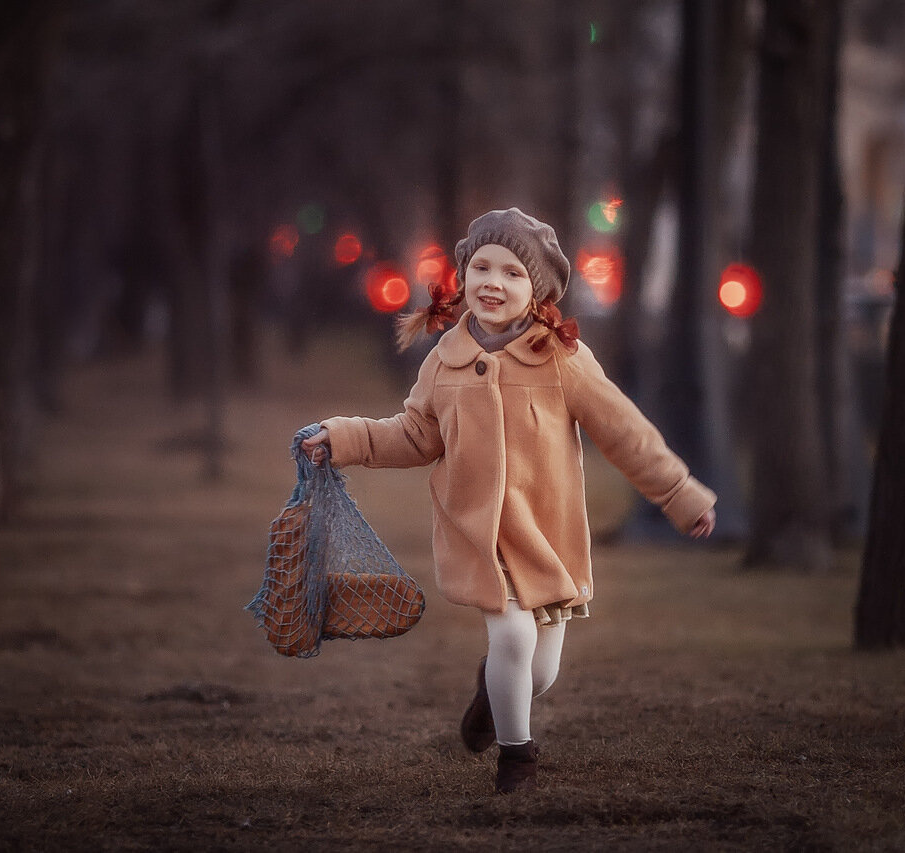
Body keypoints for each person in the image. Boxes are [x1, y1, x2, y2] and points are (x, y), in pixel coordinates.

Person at [301, 208, 716, 794]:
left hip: (547, 532)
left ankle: (491, 702)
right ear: (464, 275)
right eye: (482, 267)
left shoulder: (561, 358)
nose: (493, 282)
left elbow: (624, 431)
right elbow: (415, 435)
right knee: (515, 639)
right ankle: (517, 758)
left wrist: (678, 493)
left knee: (540, 670)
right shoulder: (443, 361)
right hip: (479, 531)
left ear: (537, 289)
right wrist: (342, 438)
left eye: (513, 273)